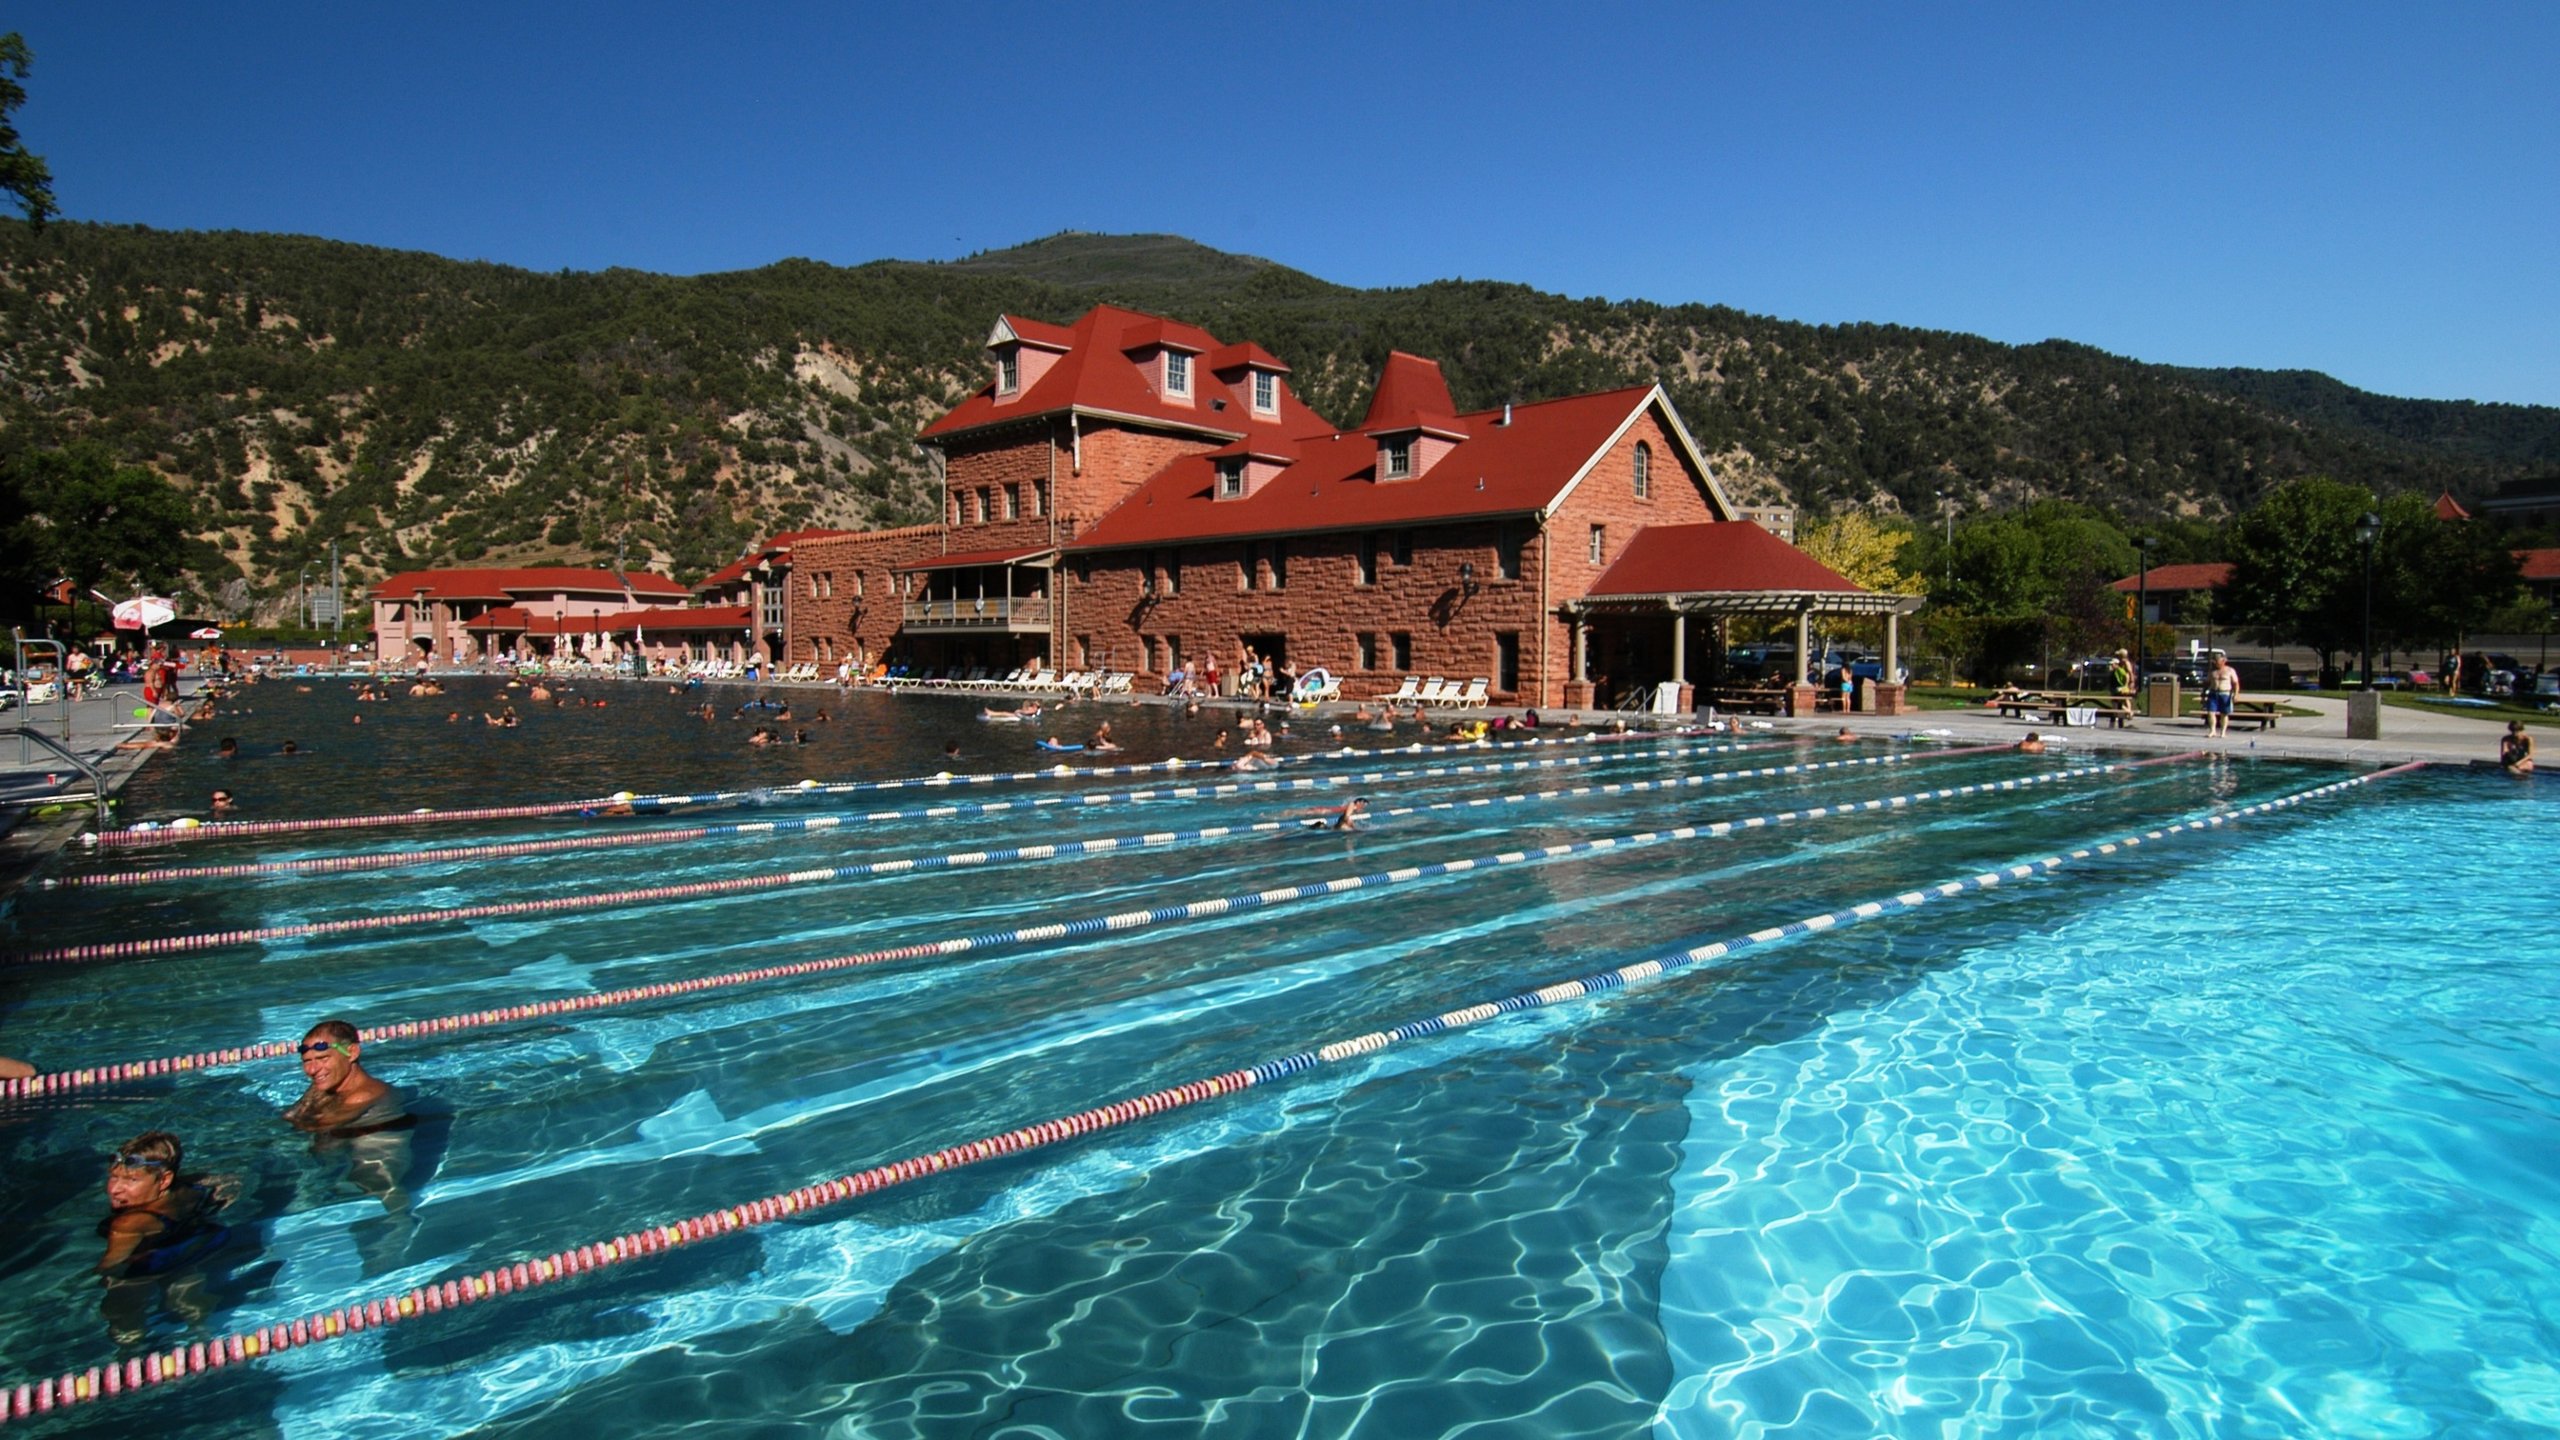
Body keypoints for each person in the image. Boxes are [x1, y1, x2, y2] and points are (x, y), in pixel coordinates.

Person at [96, 1131, 235, 1343]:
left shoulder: (128, 1223)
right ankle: (203, 1337)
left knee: (120, 1311)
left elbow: (110, 1269)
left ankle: (127, 1350)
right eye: (113, 1177)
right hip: (185, 1251)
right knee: (192, 1307)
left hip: (144, 1269)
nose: (115, 1189)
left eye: (131, 1180)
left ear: (164, 1180)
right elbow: (230, 1181)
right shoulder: (190, 1188)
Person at [283, 1020, 415, 1210]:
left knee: (382, 1190)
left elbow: (314, 1125)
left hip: (378, 1154)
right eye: (307, 1061)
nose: (312, 1070)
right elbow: (290, 1115)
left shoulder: (363, 1095)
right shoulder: (330, 1086)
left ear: (352, 1053)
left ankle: (401, 1224)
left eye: (322, 1058)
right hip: (348, 1148)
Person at [2203, 651, 2241, 738]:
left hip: (2225, 694)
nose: (2216, 663)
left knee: (2224, 713)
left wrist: (2236, 694)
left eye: (2217, 661)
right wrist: (2203, 694)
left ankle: (2223, 732)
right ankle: (2213, 730)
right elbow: (2206, 683)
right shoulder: (2212, 672)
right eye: (2215, 661)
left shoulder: (2230, 671)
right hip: (2213, 693)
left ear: (2223, 661)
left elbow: (2236, 683)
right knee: (2210, 712)